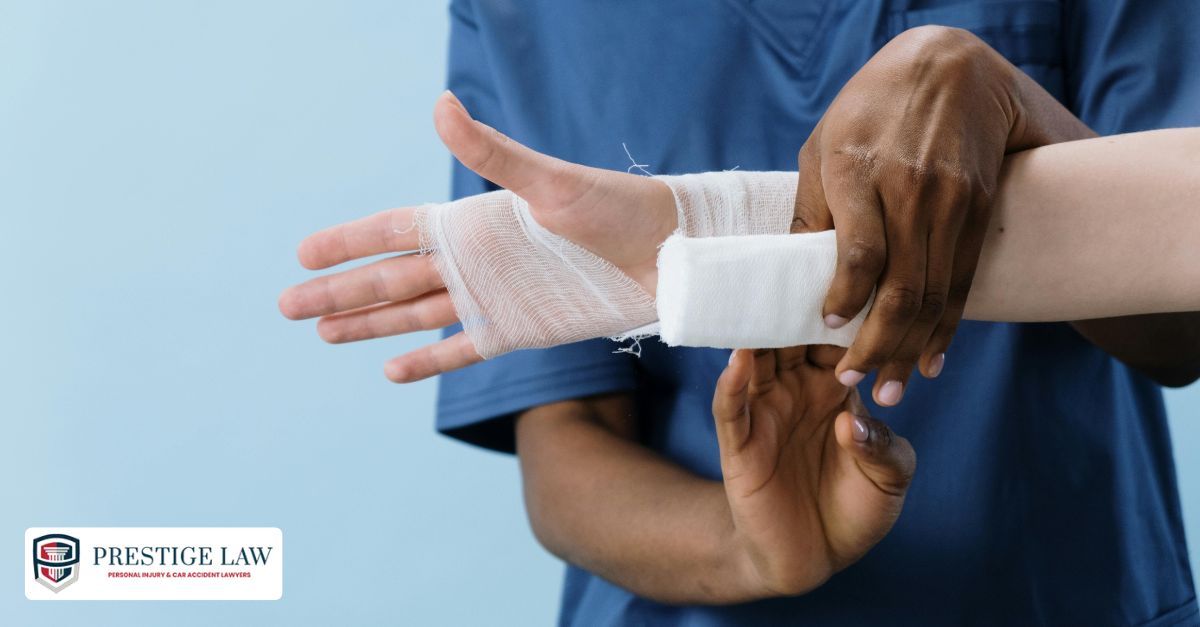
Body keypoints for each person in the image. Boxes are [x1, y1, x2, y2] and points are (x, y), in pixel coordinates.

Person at [289, 4, 1200, 625]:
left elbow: (1181, 323)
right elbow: (565, 440)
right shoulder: (529, 17)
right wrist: (752, 546)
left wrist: (1006, 97)